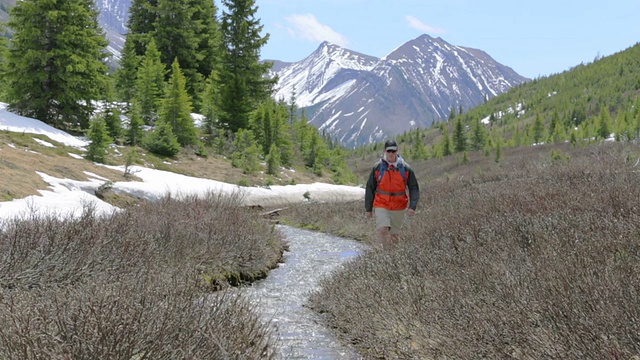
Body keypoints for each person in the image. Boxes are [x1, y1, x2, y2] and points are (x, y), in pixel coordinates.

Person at [365, 140, 420, 250]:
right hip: (381, 203)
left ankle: (392, 255)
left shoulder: (405, 168)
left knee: (394, 235)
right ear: (385, 151)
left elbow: (414, 188)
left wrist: (412, 206)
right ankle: (382, 253)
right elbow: (370, 188)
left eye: (393, 151)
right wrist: (368, 209)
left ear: (397, 151)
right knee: (383, 229)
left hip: (399, 205)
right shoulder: (378, 167)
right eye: (389, 151)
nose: (391, 153)